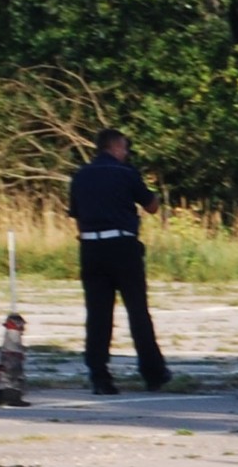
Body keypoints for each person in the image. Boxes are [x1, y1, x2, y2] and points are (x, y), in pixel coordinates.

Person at [68, 128, 171, 395]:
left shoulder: (80, 176)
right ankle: (153, 372)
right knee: (137, 311)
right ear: (114, 148)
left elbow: (77, 216)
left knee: (98, 314)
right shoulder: (126, 173)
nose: (126, 153)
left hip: (90, 246)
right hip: (122, 246)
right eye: (125, 148)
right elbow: (151, 206)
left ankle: (99, 375)